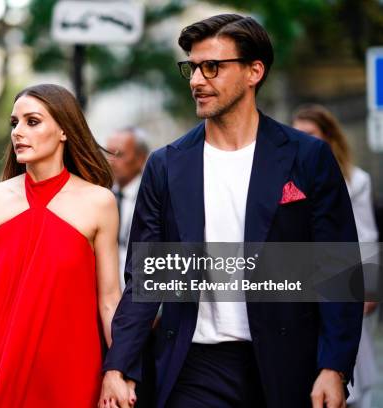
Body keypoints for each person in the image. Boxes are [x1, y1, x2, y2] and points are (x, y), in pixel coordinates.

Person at [100, 14, 363, 408]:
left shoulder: (307, 157)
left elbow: (339, 268)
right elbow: (145, 280)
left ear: (254, 71)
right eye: (192, 67)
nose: (196, 80)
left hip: (288, 363)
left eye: (212, 68)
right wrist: (118, 367)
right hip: (194, 366)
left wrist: (335, 367)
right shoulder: (167, 165)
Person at [0, 83, 122, 408]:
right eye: (14, 123)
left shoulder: (99, 203)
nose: (18, 132)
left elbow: (110, 300)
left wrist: (119, 373)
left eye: (32, 121)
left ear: (64, 131)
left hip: (71, 374)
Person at [293, 105, 379, 408]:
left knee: (352, 348)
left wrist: (368, 287)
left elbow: (367, 234)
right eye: (298, 134)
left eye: (310, 134)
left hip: (347, 277)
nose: (302, 140)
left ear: (328, 137)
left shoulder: (356, 180)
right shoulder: (293, 177)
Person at [106, 128, 149, 290]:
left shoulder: (154, 196)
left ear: (141, 159)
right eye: (108, 153)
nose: (111, 161)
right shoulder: (100, 194)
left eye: (119, 154)